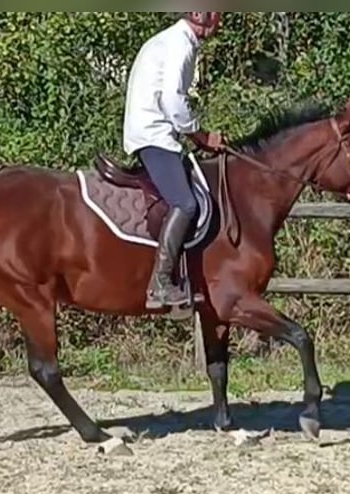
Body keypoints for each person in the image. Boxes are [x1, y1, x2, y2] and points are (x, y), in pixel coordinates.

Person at [122, 11, 226, 309]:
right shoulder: (180, 43)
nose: (219, 19)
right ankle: (161, 284)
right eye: (216, 13)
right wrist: (200, 135)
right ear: (200, 15)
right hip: (154, 136)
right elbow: (172, 100)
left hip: (155, 133)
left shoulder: (171, 41)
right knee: (186, 203)